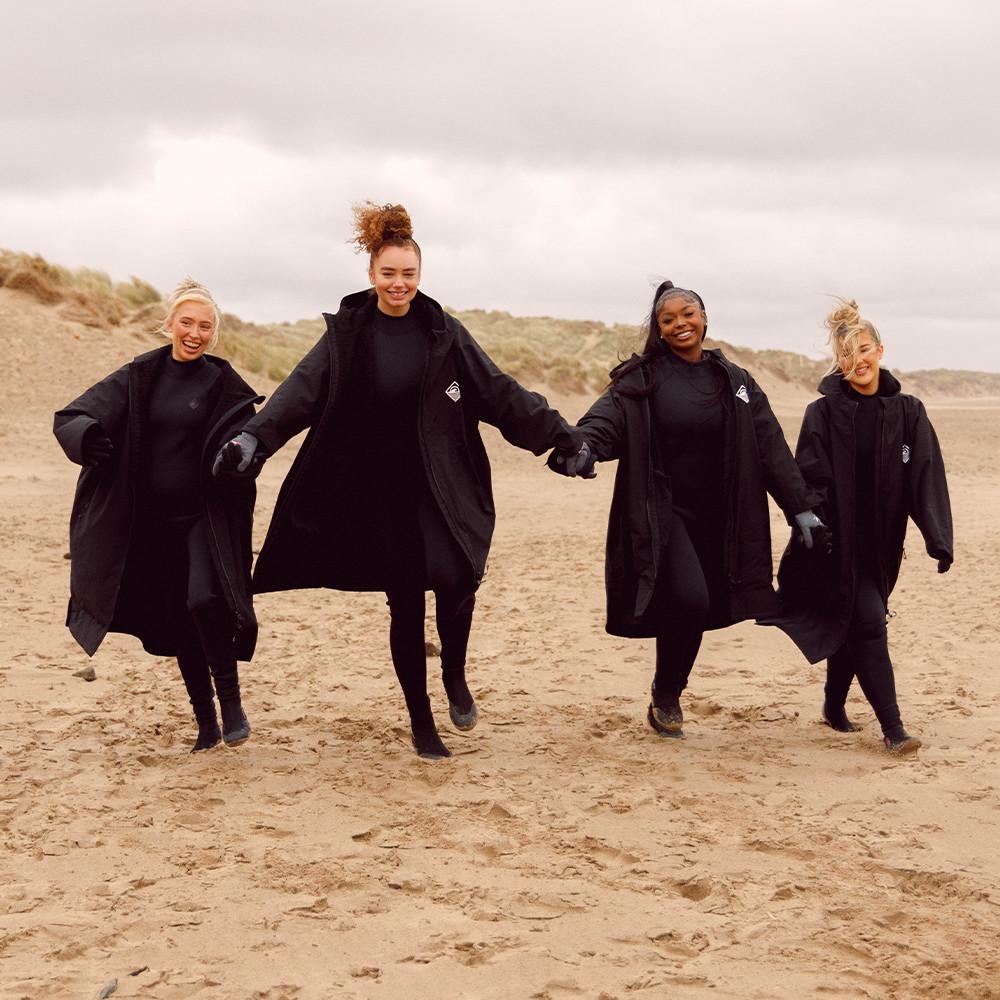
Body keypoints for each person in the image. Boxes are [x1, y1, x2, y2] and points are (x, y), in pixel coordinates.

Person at [214, 202, 587, 760]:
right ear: (371, 275)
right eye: (388, 273)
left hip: (443, 485)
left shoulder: (444, 333)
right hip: (379, 494)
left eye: (408, 274)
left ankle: (455, 676)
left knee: (459, 581)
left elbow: (500, 392)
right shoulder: (347, 336)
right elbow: (299, 393)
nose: (398, 283)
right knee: (407, 603)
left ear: (420, 275)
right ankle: (422, 722)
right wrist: (252, 440)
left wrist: (562, 436)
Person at [549, 280, 824, 738]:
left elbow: (770, 446)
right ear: (658, 329)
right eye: (668, 319)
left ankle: (668, 691)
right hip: (662, 512)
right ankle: (667, 691)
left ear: (705, 317)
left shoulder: (733, 380)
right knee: (691, 599)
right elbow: (604, 421)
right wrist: (582, 449)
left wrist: (800, 508)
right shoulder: (643, 377)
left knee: (697, 605)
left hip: (721, 514)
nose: (681, 324)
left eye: (688, 314)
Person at [54, 279, 263, 753]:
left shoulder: (224, 384)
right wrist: (87, 437)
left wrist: (238, 458)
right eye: (186, 323)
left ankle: (231, 705)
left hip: (202, 519)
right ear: (168, 324)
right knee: (179, 619)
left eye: (204, 326)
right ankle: (206, 724)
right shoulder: (140, 375)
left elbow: (246, 440)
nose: (194, 332)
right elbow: (73, 415)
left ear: (214, 334)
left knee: (203, 601)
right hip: (150, 524)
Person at [765, 299, 952, 753]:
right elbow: (807, 477)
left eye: (864, 349)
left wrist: (937, 537)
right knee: (869, 621)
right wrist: (814, 525)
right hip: (836, 543)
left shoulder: (908, 411)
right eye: (846, 355)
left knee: (854, 621)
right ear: (838, 361)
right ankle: (893, 729)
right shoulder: (822, 413)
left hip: (883, 544)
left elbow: (924, 473)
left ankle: (832, 703)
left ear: (880, 350)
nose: (857, 361)